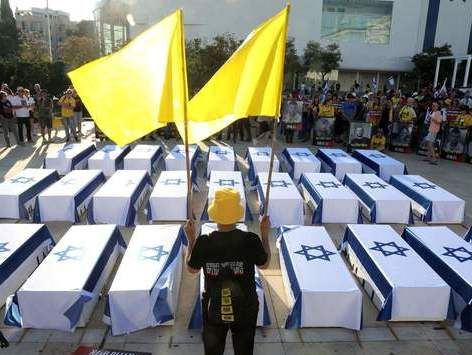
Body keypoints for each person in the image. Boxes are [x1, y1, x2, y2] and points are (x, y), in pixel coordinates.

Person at [184, 188, 270, 355]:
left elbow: (191, 269)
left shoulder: (204, 242)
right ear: (237, 214)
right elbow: (264, 265)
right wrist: (265, 235)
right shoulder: (251, 240)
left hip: (214, 308)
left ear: (215, 213)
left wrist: (191, 240)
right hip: (245, 307)